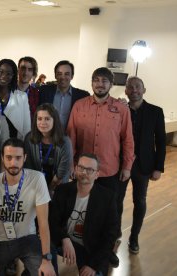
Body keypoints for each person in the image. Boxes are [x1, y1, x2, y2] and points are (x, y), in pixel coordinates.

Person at [67, 67, 135, 267]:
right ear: (91, 83)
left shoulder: (121, 109)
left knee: (111, 213)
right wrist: (71, 163)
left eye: (104, 81)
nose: (100, 84)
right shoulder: (79, 106)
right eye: (96, 80)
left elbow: (128, 140)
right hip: (82, 171)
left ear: (111, 84)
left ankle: (109, 249)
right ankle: (84, 248)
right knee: (84, 210)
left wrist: (127, 166)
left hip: (108, 170)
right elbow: (70, 137)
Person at [0, 138, 55, 276]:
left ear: (25, 158)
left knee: (47, 273)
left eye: (18, 158)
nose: (13, 163)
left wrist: (47, 260)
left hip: (27, 239)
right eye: (8, 157)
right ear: (2, 158)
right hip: (0, 241)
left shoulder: (37, 179)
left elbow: (43, 223)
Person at [49, 153, 117, 276]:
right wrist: (64, 238)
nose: (84, 172)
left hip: (91, 251)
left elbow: (110, 236)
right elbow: (53, 221)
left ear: (97, 174)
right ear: (75, 169)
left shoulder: (107, 198)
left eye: (90, 170)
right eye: (81, 167)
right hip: (64, 245)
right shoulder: (62, 190)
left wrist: (92, 265)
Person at [120, 76, 166, 254]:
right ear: (125, 91)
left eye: (138, 87)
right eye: (130, 87)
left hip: (144, 165)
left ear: (144, 90)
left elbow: (161, 141)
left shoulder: (156, 111)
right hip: (122, 163)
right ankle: (115, 233)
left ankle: (134, 237)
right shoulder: (121, 110)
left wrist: (158, 167)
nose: (134, 90)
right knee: (116, 201)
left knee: (139, 201)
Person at [24, 103, 72, 195]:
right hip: (35, 187)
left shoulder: (65, 142)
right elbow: (29, 167)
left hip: (58, 187)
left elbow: (61, 172)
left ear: (55, 121)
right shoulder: (29, 138)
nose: (42, 122)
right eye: (39, 119)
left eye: (47, 119)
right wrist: (39, 190)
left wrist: (49, 190)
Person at [38, 60, 90, 130]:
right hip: (47, 136)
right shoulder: (44, 91)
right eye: (59, 74)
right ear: (55, 75)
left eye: (67, 74)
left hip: (69, 138)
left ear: (72, 76)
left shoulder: (82, 96)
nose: (63, 77)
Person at [0, 59, 31, 140]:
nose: (4, 76)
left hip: (13, 143)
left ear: (14, 75)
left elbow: (26, 128)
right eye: (1, 71)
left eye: (8, 73)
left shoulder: (22, 97)